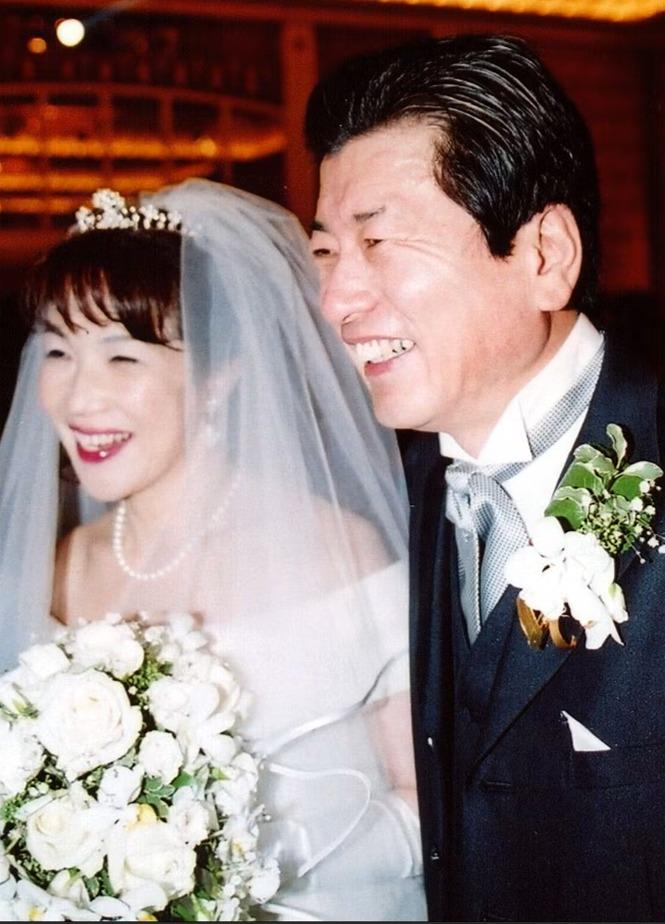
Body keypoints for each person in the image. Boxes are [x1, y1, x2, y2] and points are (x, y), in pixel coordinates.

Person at [305, 32, 665, 923]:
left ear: (544, 255)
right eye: (324, 253)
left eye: (378, 241)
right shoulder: (400, 487)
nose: (336, 301)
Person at [0, 179, 427, 921]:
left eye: (123, 359)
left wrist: (237, 866)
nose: (78, 398)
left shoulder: (337, 551)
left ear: (221, 374)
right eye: (59, 351)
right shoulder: (62, 568)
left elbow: (431, 805)